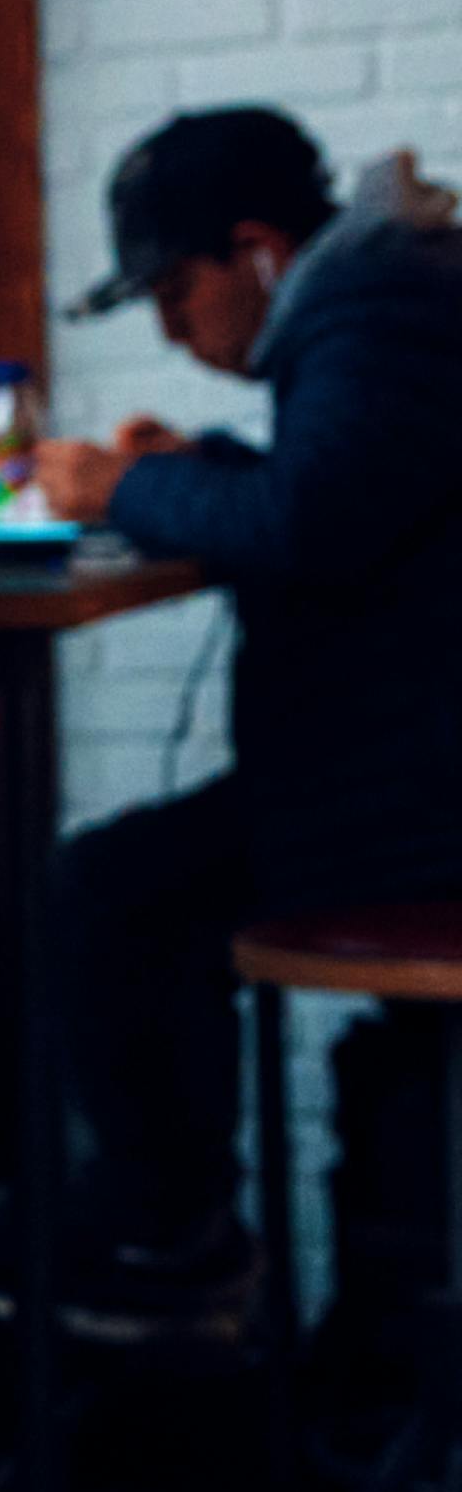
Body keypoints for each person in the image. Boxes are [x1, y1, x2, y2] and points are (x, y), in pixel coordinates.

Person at [27, 108, 462, 1294]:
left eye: (177, 293)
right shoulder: (391, 287)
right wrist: (198, 467)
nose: (174, 330)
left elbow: (309, 525)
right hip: (401, 775)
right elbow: (360, 490)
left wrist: (127, 485)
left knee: (110, 895)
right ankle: (178, 1235)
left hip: (414, 803)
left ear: (259, 250)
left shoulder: (378, 305)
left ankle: (168, 1242)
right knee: (133, 890)